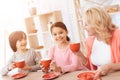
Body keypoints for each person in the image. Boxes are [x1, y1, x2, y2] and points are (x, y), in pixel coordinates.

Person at [80, 6, 120, 78]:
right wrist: (78, 54)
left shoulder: (118, 35)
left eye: (86, 24)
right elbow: (91, 67)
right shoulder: (90, 40)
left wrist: (110, 66)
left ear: (97, 23)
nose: (84, 27)